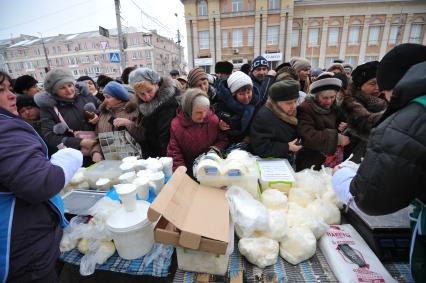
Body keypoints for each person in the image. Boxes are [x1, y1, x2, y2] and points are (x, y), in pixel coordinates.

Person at [0, 70, 83, 282]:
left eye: (10, 89)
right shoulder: (6, 130)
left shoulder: (82, 101)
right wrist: (71, 156)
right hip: (20, 244)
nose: (12, 96)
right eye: (2, 90)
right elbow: (40, 183)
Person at [35, 68, 101, 166]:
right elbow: (49, 135)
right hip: (76, 157)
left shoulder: (86, 96)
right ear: (54, 91)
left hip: (100, 147)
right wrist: (80, 142)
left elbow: (104, 110)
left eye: (70, 85)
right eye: (62, 88)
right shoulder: (48, 108)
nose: (69, 90)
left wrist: (98, 116)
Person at [167, 88, 228, 176]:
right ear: (188, 109)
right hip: (188, 172)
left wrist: (214, 151)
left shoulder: (213, 120)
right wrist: (181, 172)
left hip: (210, 169)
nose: (203, 116)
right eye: (198, 112)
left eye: (205, 111)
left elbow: (222, 139)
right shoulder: (176, 125)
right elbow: (174, 151)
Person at [296, 73, 349, 171]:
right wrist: (337, 139)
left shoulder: (335, 107)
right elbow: (308, 136)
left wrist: (345, 126)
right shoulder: (305, 108)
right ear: (316, 96)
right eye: (325, 98)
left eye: (332, 97)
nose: (329, 101)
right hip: (310, 162)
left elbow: (344, 121)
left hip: (331, 162)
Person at [340, 61, 387, 162]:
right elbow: (367, 123)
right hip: (354, 156)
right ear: (359, 85)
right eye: (372, 83)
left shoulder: (386, 100)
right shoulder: (349, 102)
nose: (377, 88)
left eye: (380, 82)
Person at [129, 67, 179, 158]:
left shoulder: (168, 103)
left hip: (163, 156)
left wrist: (164, 161)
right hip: (152, 154)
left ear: (157, 84)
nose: (147, 97)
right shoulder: (143, 104)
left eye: (149, 91)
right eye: (142, 94)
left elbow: (165, 137)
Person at [250, 79, 303, 161]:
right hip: (275, 163)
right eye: (289, 103)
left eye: (295, 101)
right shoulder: (264, 117)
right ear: (276, 102)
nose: (294, 106)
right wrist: (287, 147)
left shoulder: (295, 111)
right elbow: (261, 148)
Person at [95, 81, 143, 159]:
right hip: (110, 161)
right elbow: (98, 136)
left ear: (119, 98)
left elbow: (142, 136)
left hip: (132, 160)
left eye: (108, 97)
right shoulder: (103, 114)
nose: (105, 100)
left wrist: (129, 124)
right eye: (104, 97)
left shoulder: (134, 111)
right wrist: (96, 152)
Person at [215, 71, 260, 147]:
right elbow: (217, 116)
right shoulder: (223, 105)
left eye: (249, 92)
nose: (246, 97)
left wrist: (251, 137)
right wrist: (219, 124)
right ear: (233, 94)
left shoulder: (257, 104)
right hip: (229, 146)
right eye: (241, 94)